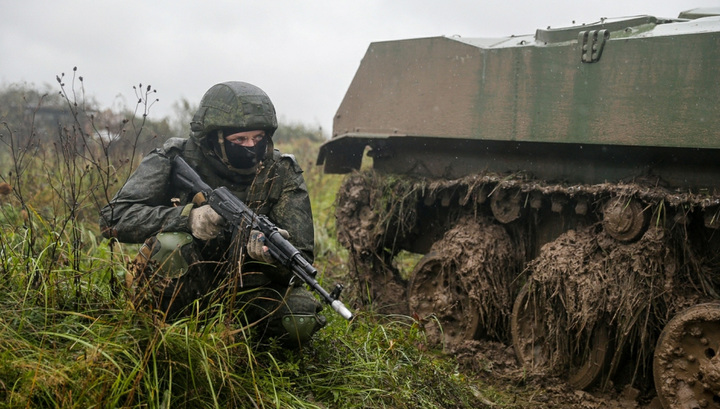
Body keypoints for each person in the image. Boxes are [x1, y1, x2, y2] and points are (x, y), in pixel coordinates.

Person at [100, 81, 325, 345]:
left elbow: (301, 260)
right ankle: (165, 339)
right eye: (239, 139)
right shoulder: (175, 157)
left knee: (299, 318)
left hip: (249, 288)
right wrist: (188, 218)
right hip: (186, 279)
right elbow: (113, 218)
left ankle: (238, 348)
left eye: (258, 138)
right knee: (171, 245)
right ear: (213, 137)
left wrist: (270, 259)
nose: (251, 146)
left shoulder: (282, 171)